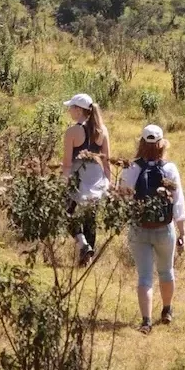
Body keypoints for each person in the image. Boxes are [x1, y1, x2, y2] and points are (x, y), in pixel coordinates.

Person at [121, 124, 185, 335]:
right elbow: (178, 203)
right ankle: (167, 310)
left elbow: (123, 197)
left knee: (144, 276)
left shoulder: (131, 168)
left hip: (139, 228)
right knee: (166, 271)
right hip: (164, 228)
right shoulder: (169, 169)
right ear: (162, 144)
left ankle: (146, 321)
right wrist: (182, 233)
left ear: (141, 143)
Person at [62, 93, 111, 267]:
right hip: (97, 179)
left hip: (79, 178)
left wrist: (63, 182)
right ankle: (88, 259)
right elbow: (106, 160)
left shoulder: (72, 132)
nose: (69, 110)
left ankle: (83, 244)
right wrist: (109, 183)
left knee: (66, 212)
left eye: (71, 107)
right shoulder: (102, 130)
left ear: (78, 110)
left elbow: (67, 163)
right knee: (90, 219)